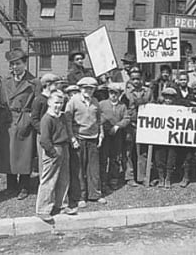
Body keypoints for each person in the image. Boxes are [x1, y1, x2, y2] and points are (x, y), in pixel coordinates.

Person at [0, 48, 38, 200]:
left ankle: (24, 186)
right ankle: (11, 185)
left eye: (18, 63)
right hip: (8, 121)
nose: (15, 67)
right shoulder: (5, 81)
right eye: (12, 64)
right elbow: (0, 102)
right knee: (9, 154)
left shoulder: (34, 82)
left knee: (24, 155)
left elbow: (38, 104)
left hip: (24, 121)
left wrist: (28, 118)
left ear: (25, 63)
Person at [65, 76, 106, 208]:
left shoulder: (95, 101)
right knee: (78, 169)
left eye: (91, 88)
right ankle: (79, 197)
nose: (88, 90)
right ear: (80, 89)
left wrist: (101, 135)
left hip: (93, 139)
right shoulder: (73, 101)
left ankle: (95, 194)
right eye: (85, 88)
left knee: (93, 168)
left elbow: (99, 119)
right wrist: (72, 139)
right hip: (79, 138)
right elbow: (67, 121)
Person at [35, 91, 76, 222]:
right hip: (53, 150)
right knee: (49, 180)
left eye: (61, 103)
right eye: (56, 103)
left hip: (64, 148)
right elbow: (44, 140)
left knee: (64, 178)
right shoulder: (47, 119)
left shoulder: (61, 117)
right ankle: (42, 209)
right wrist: (52, 153)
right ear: (49, 103)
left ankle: (61, 205)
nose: (58, 106)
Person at [123, 67, 153, 186]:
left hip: (143, 125)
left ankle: (142, 176)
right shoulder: (125, 93)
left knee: (142, 151)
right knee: (128, 151)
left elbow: (152, 106)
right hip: (130, 125)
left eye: (138, 78)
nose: (136, 81)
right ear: (130, 79)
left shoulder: (148, 91)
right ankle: (129, 177)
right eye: (133, 79)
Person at [31, 73, 63, 180]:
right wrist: (44, 130)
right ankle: (43, 181)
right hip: (43, 135)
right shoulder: (39, 100)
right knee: (44, 160)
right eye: (56, 84)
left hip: (54, 135)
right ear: (48, 85)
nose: (58, 87)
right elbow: (34, 119)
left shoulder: (54, 98)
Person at [99, 84, 130, 191]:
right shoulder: (102, 104)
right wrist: (103, 127)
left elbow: (126, 118)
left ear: (119, 94)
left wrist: (117, 126)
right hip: (104, 135)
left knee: (116, 157)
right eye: (111, 93)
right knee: (103, 158)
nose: (113, 95)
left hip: (117, 135)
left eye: (116, 93)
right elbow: (97, 116)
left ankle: (113, 179)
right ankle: (102, 180)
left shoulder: (122, 106)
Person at [154, 87, 179, 188]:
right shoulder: (158, 108)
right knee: (159, 158)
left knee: (171, 158)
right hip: (160, 137)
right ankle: (161, 178)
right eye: (166, 98)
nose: (168, 100)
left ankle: (168, 178)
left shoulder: (178, 109)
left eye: (171, 98)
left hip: (172, 137)